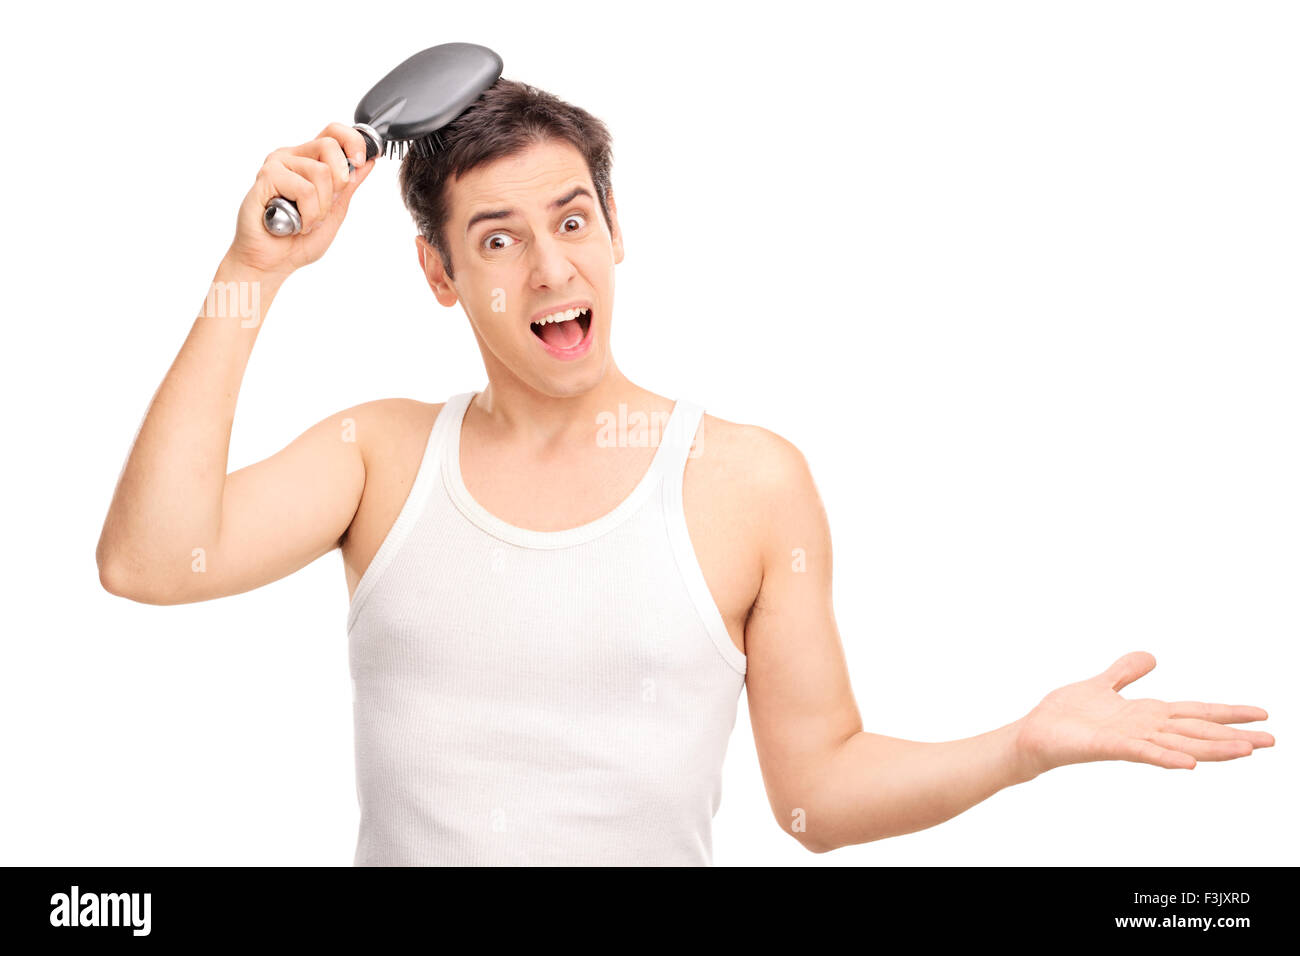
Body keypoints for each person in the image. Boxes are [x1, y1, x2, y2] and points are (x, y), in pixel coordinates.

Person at [95, 79, 1273, 865]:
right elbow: (147, 561)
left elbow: (817, 794)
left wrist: (1017, 745)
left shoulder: (746, 481)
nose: (550, 268)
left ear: (614, 228)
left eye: (571, 220)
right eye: (497, 239)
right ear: (439, 275)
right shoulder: (377, 456)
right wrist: (255, 269)